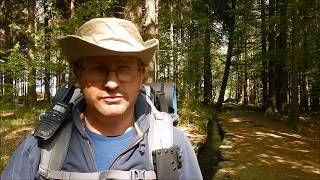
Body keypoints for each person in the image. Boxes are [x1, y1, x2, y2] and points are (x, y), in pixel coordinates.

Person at [1, 17, 203, 180]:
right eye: (98, 68)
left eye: (124, 69)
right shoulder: (42, 148)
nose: (112, 83)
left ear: (141, 75)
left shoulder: (171, 144)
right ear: (78, 75)